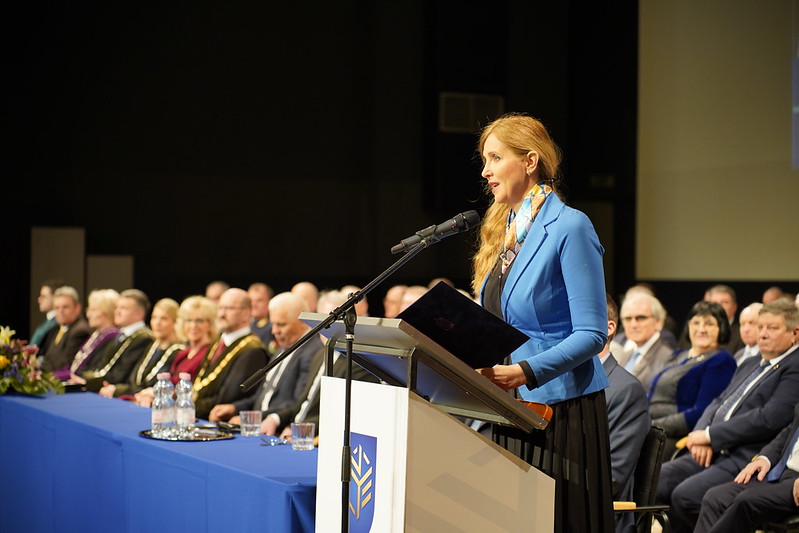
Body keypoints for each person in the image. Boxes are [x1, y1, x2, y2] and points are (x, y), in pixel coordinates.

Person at [470, 112, 613, 532]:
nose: (486, 171)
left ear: (530, 161)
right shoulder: (507, 231)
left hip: (560, 410)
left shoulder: (570, 226)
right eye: (485, 160)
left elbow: (592, 333)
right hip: (510, 405)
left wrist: (524, 371)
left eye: (495, 158)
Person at [656, 299, 799, 533]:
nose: (762, 334)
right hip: (715, 448)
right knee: (658, 478)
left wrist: (711, 436)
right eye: (761, 327)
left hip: (744, 453)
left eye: (772, 328)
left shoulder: (795, 365)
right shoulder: (752, 361)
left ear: (795, 333)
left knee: (686, 495)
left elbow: (768, 418)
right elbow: (718, 401)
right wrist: (700, 434)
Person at [272, 289, 381, 441]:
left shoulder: (358, 363)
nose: (325, 326)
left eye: (331, 320)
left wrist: (301, 430)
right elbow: (303, 402)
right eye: (322, 320)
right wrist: (276, 418)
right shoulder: (318, 355)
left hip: (318, 439)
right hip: (292, 433)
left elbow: (344, 413)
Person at [208, 292, 323, 429]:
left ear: (303, 323)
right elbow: (263, 397)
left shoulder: (313, 352)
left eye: (281, 324)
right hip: (258, 426)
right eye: (272, 324)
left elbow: (297, 404)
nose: (274, 331)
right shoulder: (284, 346)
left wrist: (251, 418)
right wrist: (234, 408)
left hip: (278, 430)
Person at [694, 401, 799, 533]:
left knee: (746, 501)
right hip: (780, 470)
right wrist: (765, 458)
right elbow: (791, 430)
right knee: (715, 497)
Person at [647, 301, 737, 451]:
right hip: (649, 426)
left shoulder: (721, 360)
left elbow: (702, 412)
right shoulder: (677, 355)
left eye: (709, 324)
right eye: (696, 323)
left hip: (674, 437)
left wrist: (651, 426)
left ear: (721, 328)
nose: (701, 329)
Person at [601, 293, 651, 533]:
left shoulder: (626, 389)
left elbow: (611, 478)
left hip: (599, 514)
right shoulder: (560, 382)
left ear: (608, 328)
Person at [192, 288, 269, 421]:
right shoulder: (217, 342)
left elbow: (226, 398)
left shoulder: (252, 351)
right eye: (220, 308)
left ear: (245, 313)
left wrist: (188, 408)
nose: (222, 314)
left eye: (228, 308)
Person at [135, 295, 217, 406]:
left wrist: (158, 394)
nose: (193, 325)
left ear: (210, 324)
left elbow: (198, 392)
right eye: (188, 320)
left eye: (199, 321)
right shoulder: (183, 353)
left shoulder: (211, 354)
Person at [99, 298, 185, 399]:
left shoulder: (179, 351)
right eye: (154, 318)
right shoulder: (151, 347)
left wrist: (118, 390)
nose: (157, 323)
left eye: (164, 319)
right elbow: (135, 380)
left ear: (175, 322)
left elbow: (153, 384)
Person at [78, 289, 155, 393]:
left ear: (139, 314)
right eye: (117, 307)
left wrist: (87, 380)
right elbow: (102, 367)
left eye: (124, 308)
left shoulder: (143, 338)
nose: (117, 312)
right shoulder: (121, 335)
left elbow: (119, 375)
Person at [615, 291, 678, 391]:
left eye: (641, 318)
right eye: (628, 319)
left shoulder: (668, 358)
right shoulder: (624, 355)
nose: (633, 325)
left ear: (658, 321)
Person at [56, 289, 120, 382]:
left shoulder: (112, 337)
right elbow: (74, 368)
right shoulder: (97, 334)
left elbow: (90, 370)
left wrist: (54, 376)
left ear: (107, 312)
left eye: (93, 310)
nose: (88, 314)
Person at [40, 286, 92, 374]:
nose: (60, 311)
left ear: (77, 308)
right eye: (57, 308)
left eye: (65, 307)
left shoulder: (80, 331)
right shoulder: (55, 329)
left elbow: (66, 365)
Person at [29, 278, 65, 349]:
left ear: (55, 298)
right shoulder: (47, 323)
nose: (39, 299)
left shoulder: (57, 325)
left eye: (43, 296)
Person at [248, 282, 275, 349]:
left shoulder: (273, 328)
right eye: (250, 301)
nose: (254, 304)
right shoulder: (241, 325)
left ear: (269, 301)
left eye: (259, 300)